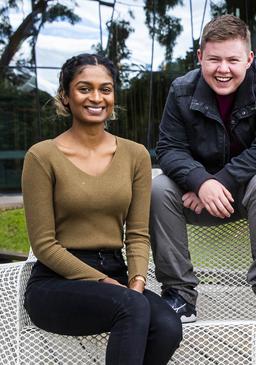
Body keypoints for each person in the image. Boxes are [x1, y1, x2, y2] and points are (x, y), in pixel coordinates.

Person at [21, 54, 182, 365]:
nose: (96, 98)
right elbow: (43, 245)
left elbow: (136, 234)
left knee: (167, 325)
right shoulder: (42, 156)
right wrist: (107, 284)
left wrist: (135, 282)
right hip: (57, 283)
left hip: (117, 275)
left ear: (113, 95)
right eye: (84, 88)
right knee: (132, 307)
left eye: (105, 89)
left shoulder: (135, 155)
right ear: (66, 97)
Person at [151, 14, 256, 323]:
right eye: (214, 59)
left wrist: (216, 183)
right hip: (199, 191)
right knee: (158, 188)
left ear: (249, 59)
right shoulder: (181, 90)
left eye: (233, 59)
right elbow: (169, 148)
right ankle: (179, 295)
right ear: (200, 56)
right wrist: (199, 182)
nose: (223, 69)